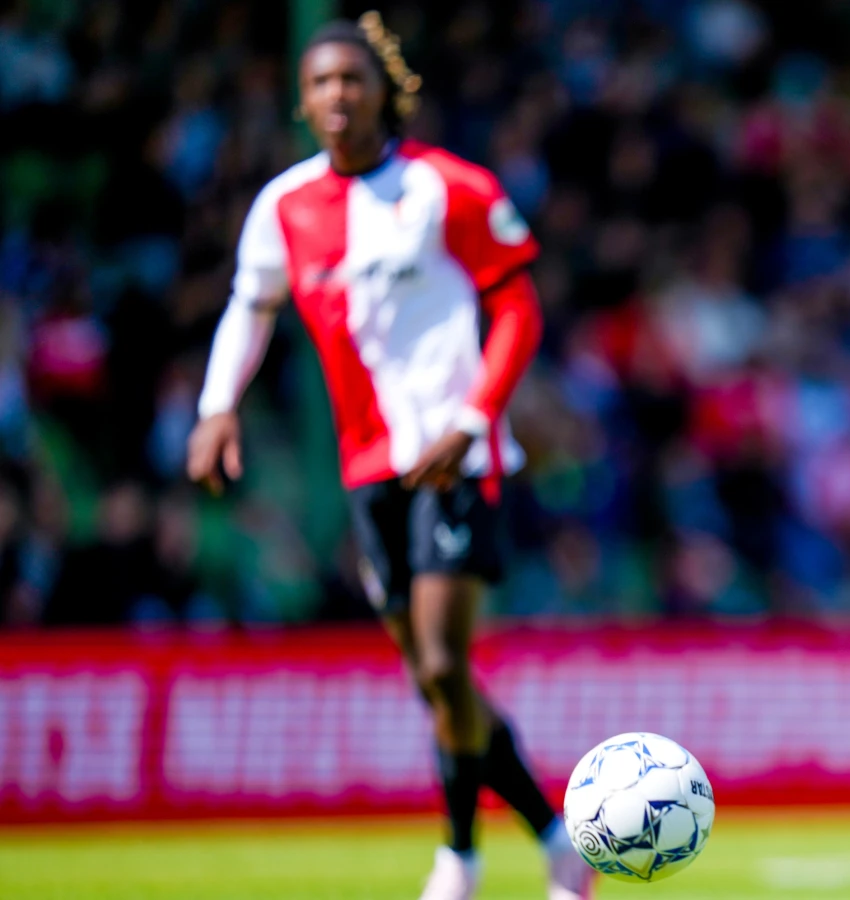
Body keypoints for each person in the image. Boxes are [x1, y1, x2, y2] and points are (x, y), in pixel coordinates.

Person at [185, 14, 593, 900]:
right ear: (303, 101)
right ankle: (559, 842)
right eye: (321, 82)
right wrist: (218, 407)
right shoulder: (284, 206)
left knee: (445, 667)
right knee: (433, 683)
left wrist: (475, 416)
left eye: (352, 80)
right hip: (368, 468)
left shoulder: (447, 188)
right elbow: (249, 308)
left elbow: (518, 308)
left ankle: (460, 858)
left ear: (384, 91)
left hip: (454, 454)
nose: (338, 95)